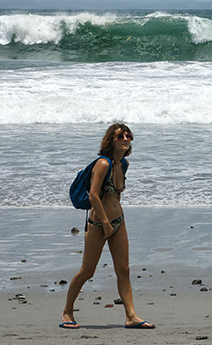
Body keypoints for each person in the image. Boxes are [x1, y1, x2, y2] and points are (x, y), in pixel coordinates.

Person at [60, 123, 155, 330]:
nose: (125, 139)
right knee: (87, 271)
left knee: (124, 270)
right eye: (120, 136)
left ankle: (131, 316)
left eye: (128, 136)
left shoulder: (124, 165)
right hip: (97, 223)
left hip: (118, 221)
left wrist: (114, 221)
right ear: (110, 140)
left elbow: (116, 195)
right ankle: (67, 311)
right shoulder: (103, 164)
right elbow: (93, 195)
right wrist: (104, 222)